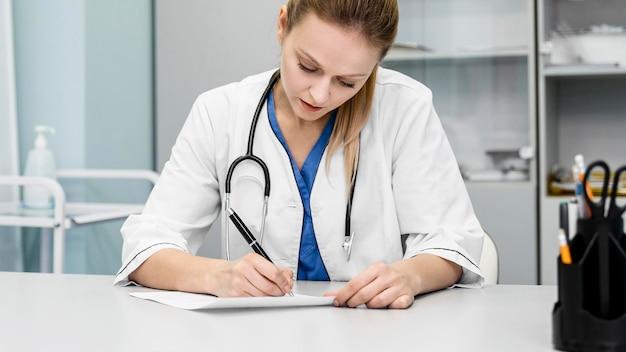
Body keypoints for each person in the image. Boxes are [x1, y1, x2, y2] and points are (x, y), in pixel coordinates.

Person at [115, 0, 485, 309]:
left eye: (348, 82)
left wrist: (409, 275)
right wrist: (217, 276)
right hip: (256, 335)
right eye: (308, 67)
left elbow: (451, 243)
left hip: (373, 332)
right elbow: (147, 246)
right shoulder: (221, 112)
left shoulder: (404, 107)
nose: (321, 95)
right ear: (282, 25)